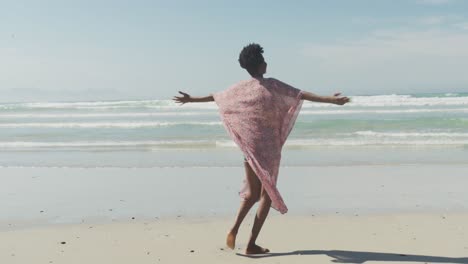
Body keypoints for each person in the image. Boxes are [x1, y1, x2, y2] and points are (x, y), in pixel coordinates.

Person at [173, 43, 349, 254]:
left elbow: (216, 97)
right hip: (270, 151)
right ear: (260, 65)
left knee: (252, 194)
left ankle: (234, 228)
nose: (267, 63)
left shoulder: (240, 88)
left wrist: (191, 99)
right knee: (266, 195)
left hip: (250, 150)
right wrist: (331, 100)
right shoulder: (272, 85)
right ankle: (251, 244)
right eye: (264, 61)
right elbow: (300, 94)